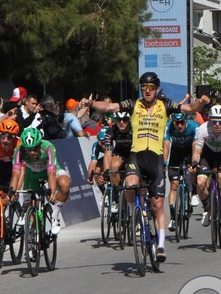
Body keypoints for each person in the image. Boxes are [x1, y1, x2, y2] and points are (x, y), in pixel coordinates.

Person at [90, 72, 209, 262]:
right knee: (129, 183)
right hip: (136, 155)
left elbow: (188, 108)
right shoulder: (133, 104)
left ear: (156, 89)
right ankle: (132, 213)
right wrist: (91, 104)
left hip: (155, 159)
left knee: (158, 205)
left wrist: (201, 102)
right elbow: (110, 106)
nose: (147, 91)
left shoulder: (166, 105)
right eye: (144, 88)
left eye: (151, 88)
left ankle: (161, 245)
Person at [9, 128, 71, 234]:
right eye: (28, 150)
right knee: (30, 207)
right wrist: (12, 191)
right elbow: (16, 174)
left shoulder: (48, 147)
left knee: (65, 184)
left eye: (35, 148)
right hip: (32, 175)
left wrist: (51, 192)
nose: (32, 152)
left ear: (40, 144)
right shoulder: (18, 150)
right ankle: (32, 237)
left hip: (50, 171)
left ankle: (55, 215)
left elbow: (51, 172)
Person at [189, 105, 221, 229]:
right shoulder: (202, 129)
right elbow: (197, 151)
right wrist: (194, 163)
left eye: (220, 121)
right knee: (200, 182)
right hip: (208, 154)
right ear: (209, 120)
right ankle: (207, 209)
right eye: (214, 121)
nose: (217, 124)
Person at [163, 112, 200, 231]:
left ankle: (194, 193)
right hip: (176, 151)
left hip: (190, 150)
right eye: (176, 123)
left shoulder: (194, 126)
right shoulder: (169, 126)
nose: (179, 125)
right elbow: (166, 144)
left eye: (182, 123)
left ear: (186, 121)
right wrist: (164, 162)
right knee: (174, 185)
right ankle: (173, 218)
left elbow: (196, 146)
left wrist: (194, 163)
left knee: (193, 171)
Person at [86, 126, 110, 192]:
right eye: (101, 143)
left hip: (115, 156)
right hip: (106, 158)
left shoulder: (114, 143)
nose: (103, 146)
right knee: (96, 171)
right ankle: (104, 193)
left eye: (105, 143)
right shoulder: (96, 145)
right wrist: (90, 176)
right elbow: (93, 162)